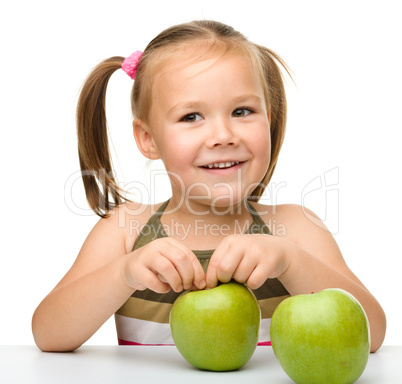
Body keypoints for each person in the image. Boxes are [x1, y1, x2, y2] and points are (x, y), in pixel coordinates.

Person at [32, 20, 386, 353]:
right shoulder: (126, 231)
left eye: (242, 111)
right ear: (148, 138)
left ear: (270, 118)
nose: (223, 136)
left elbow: (372, 334)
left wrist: (291, 262)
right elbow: (48, 334)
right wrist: (123, 274)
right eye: (191, 117)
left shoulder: (294, 229)